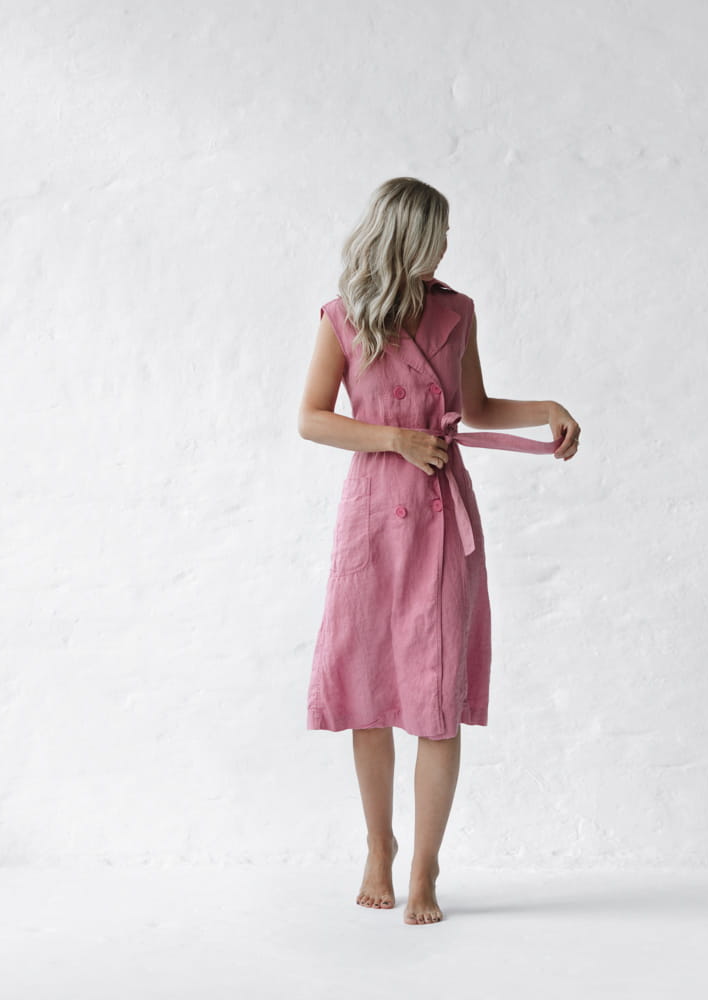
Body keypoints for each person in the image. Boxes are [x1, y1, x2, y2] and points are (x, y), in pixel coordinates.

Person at [297, 177, 581, 925]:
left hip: (439, 520)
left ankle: (425, 869)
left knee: (435, 698)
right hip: (371, 520)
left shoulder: (458, 311)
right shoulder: (342, 315)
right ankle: (379, 847)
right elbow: (312, 419)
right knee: (367, 691)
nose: (449, 245)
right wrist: (395, 438)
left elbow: (476, 407)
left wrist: (545, 409)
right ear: (410, 237)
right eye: (439, 233)